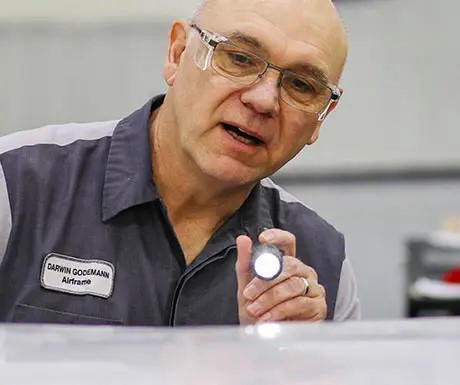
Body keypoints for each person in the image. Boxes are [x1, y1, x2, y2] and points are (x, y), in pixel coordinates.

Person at [0, 0, 360, 325]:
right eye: (239, 58)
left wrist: (288, 360)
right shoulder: (17, 189)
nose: (264, 101)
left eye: (301, 85)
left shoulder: (323, 270)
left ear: (322, 117)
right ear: (177, 52)